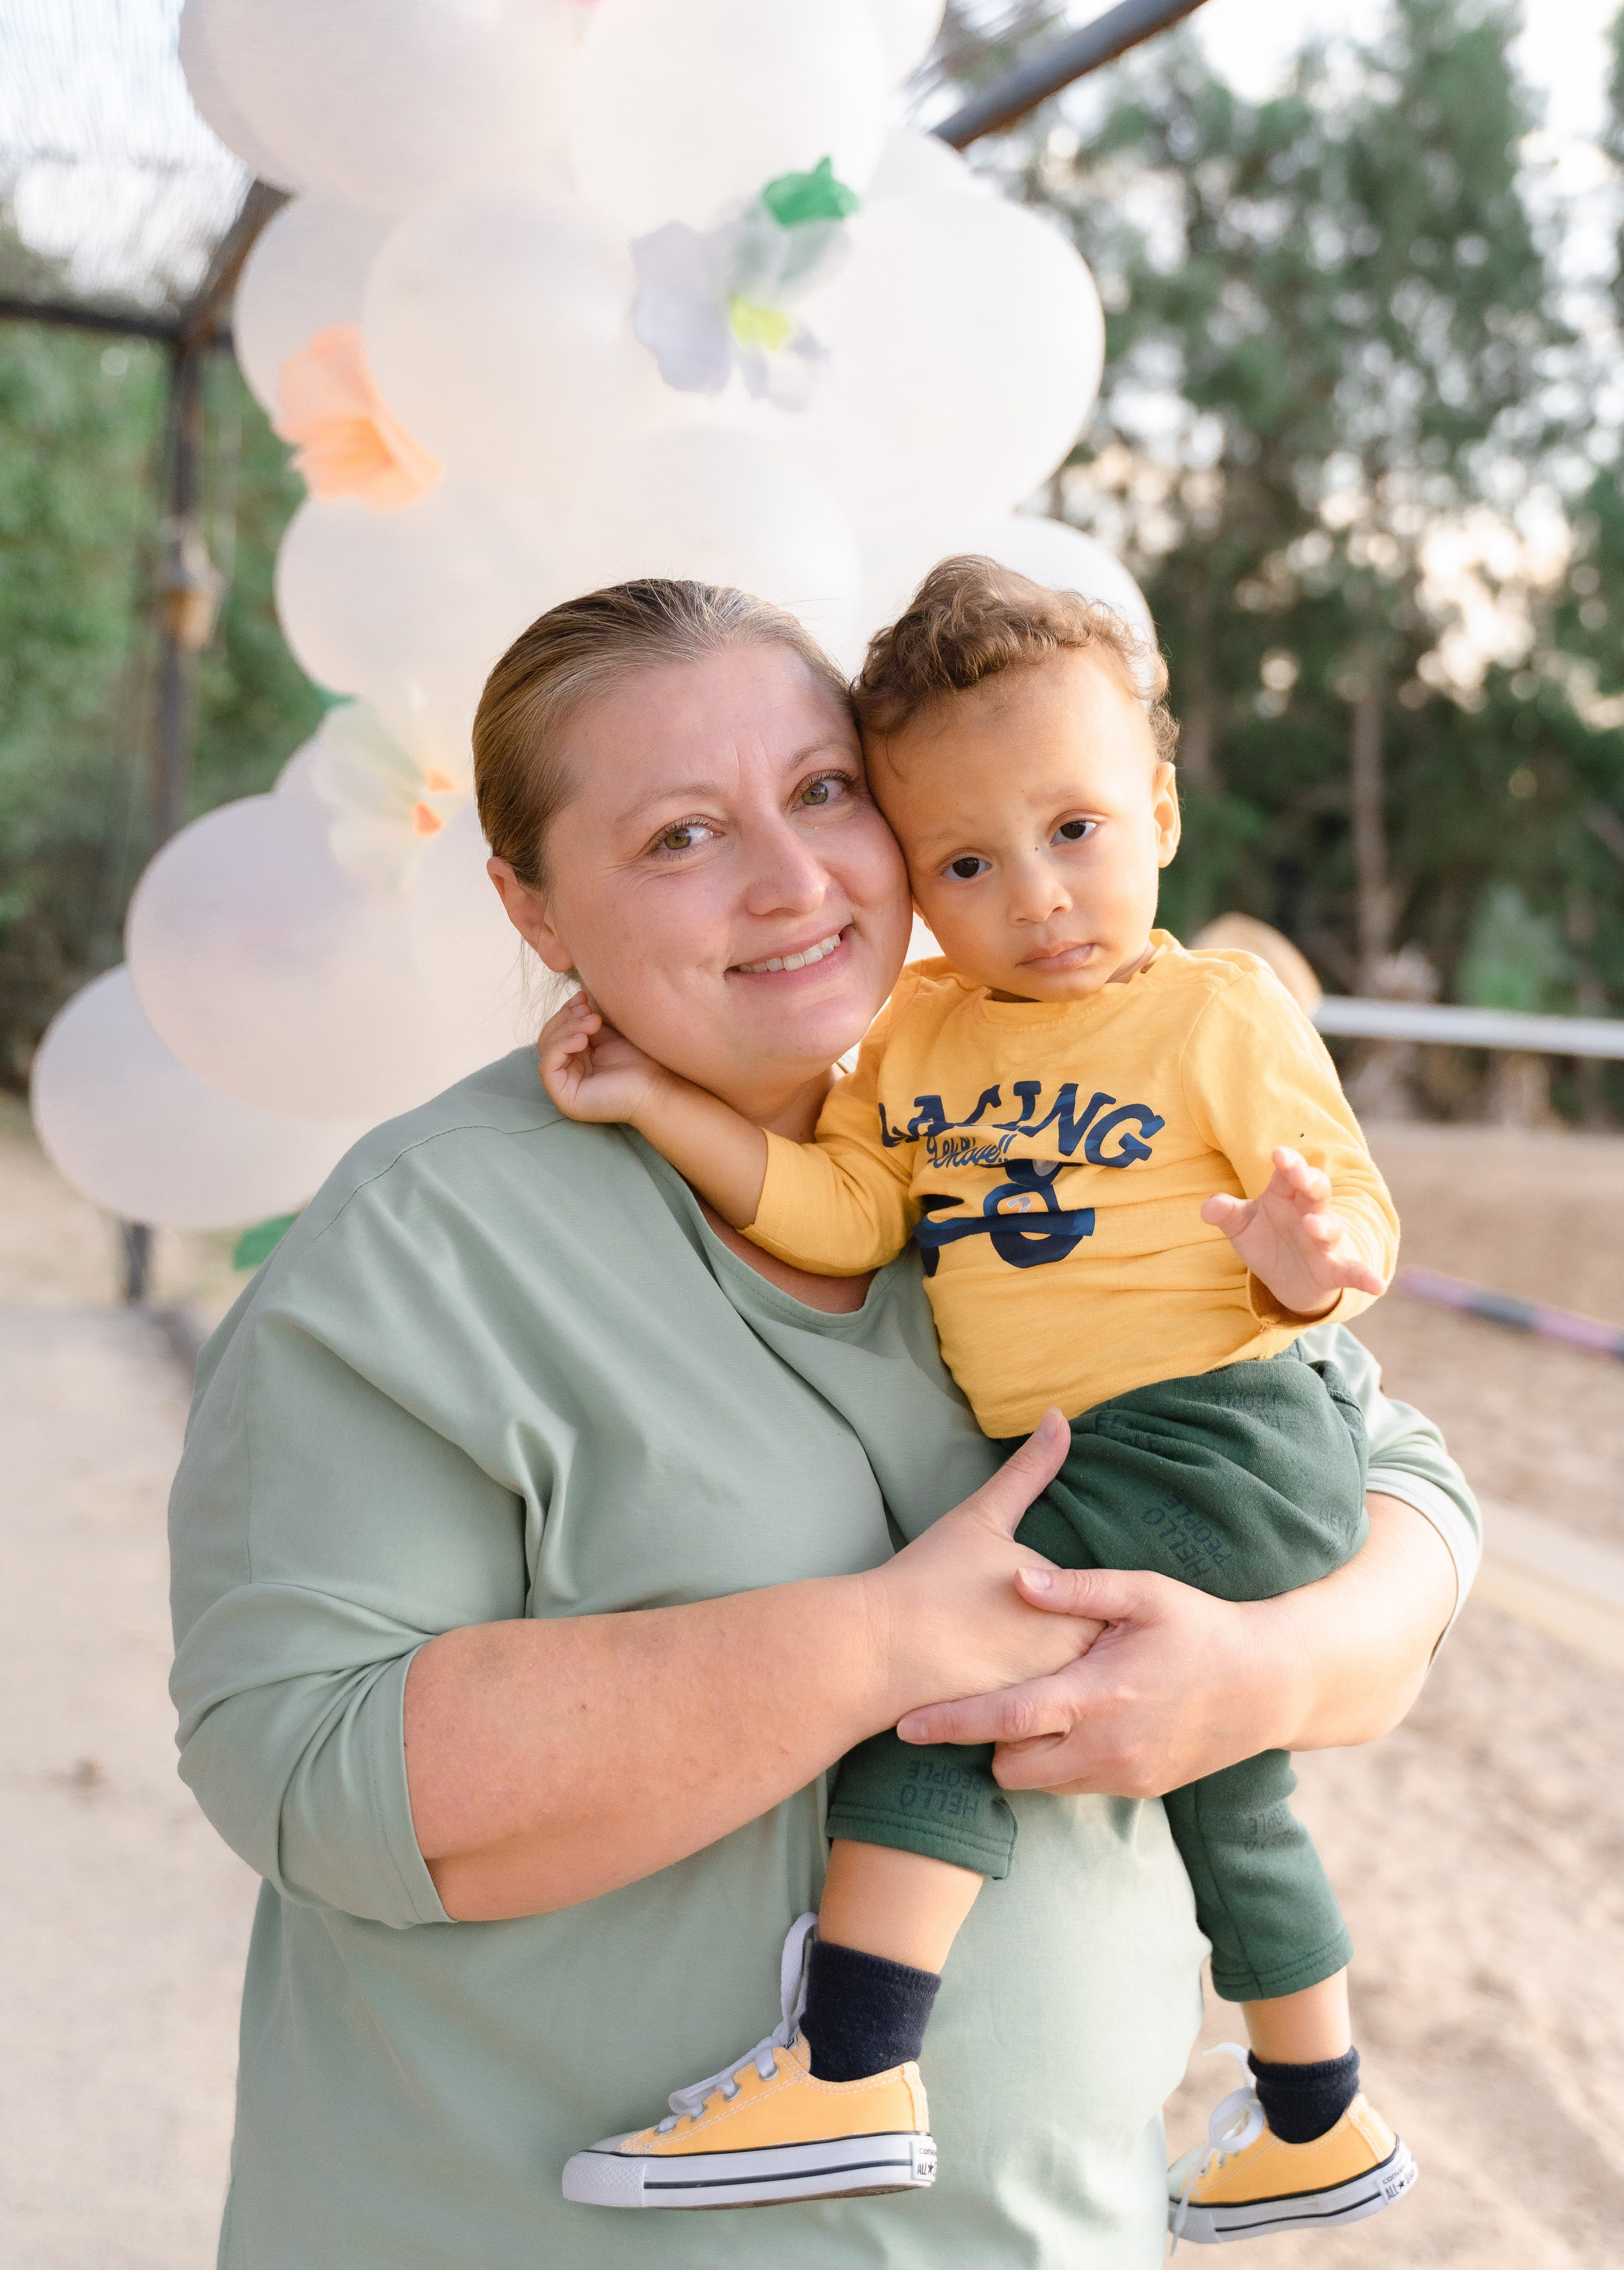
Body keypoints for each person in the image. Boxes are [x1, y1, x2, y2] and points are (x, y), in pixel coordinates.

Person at [167, 577, 1479, 2270]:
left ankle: (1310, 2108)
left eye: (821, 794)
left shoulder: (1039, 1121)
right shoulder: (429, 1241)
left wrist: (1260, 1677)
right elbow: (304, 1767)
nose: (791, 882)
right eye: (677, 838)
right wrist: (887, 1648)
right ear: (534, 904)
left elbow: (1401, 1486)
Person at [538, 560, 1411, 2243]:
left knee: (942, 1671)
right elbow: (849, 1212)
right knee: (1234, 1782)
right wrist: (661, 1101)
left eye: (1077, 828)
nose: (1039, 892)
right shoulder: (919, 1041)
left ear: (1157, 802)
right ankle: (1318, 2105)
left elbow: (1358, 1223)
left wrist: (1304, 1254)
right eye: (965, 861)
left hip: (1223, 1425)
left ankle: (855, 2059)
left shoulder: (1213, 1012)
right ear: (913, 878)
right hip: (1112, 1447)